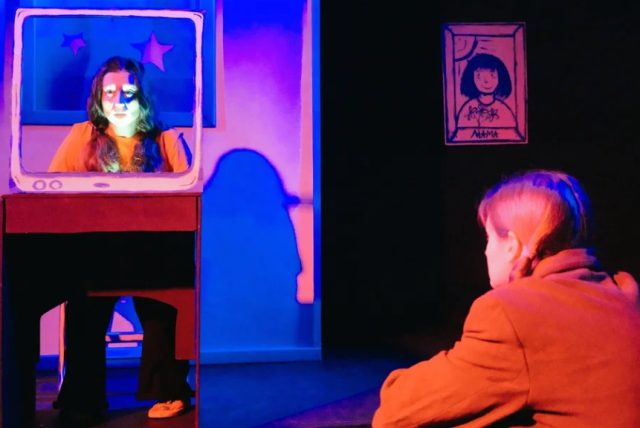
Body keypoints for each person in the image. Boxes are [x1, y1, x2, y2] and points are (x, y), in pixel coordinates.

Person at [372, 169, 640, 427]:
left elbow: (398, 412)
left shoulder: (512, 312)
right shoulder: (627, 292)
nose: (486, 252)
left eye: (489, 238)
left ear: (512, 245)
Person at [48, 56, 194, 425]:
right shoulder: (82, 136)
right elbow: (52, 189)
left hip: (153, 250)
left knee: (163, 301)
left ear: (142, 97)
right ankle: (83, 399)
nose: (119, 100)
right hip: (99, 249)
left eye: (128, 91)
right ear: (98, 99)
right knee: (83, 303)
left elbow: (192, 195)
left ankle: (171, 390)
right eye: (110, 92)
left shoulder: (167, 139)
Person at [456, 53, 516, 128]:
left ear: (500, 77)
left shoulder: (504, 110)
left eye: (492, 75)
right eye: (479, 76)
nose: (486, 81)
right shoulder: (467, 109)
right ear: (471, 78)